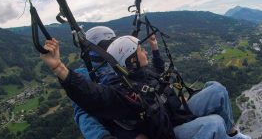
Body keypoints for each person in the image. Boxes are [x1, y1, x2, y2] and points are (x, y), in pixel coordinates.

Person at [40, 35, 251, 139]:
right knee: (213, 123)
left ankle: (233, 133)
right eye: (141, 50)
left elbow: (162, 76)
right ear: (131, 60)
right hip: (167, 131)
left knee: (217, 89)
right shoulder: (126, 90)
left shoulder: (145, 72)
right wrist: (59, 68)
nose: (145, 54)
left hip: (176, 113)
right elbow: (95, 97)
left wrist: (155, 48)